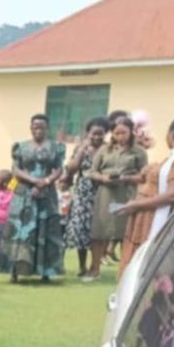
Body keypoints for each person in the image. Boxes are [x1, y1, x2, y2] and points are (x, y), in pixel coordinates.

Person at [118, 116, 174, 277]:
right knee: (137, 267)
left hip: (156, 223)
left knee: (148, 270)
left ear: (172, 134)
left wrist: (137, 205)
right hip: (146, 219)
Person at [0, 114, 66, 283]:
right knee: (20, 232)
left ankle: (46, 271)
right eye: (35, 127)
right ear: (30, 128)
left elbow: (58, 169)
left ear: (47, 128)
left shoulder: (56, 147)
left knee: (47, 230)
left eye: (42, 127)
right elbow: (16, 169)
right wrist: (34, 181)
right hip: (24, 194)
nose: (38, 130)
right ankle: (15, 270)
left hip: (47, 194)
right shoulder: (20, 147)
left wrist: (46, 181)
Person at [83, 115, 148, 281]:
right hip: (105, 194)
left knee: (126, 233)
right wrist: (103, 178)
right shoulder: (104, 150)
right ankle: (94, 269)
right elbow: (92, 171)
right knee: (99, 232)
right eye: (116, 133)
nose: (120, 137)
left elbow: (144, 175)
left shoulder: (139, 151)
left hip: (127, 194)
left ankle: (126, 271)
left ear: (131, 132)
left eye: (123, 133)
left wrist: (126, 178)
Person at [63, 117, 109, 276]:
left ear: (105, 134)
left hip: (102, 192)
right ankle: (82, 266)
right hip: (83, 192)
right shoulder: (81, 148)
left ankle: (95, 266)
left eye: (100, 134)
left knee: (98, 230)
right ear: (87, 133)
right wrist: (81, 151)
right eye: (93, 134)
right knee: (81, 230)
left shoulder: (109, 149)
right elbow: (72, 168)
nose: (97, 137)